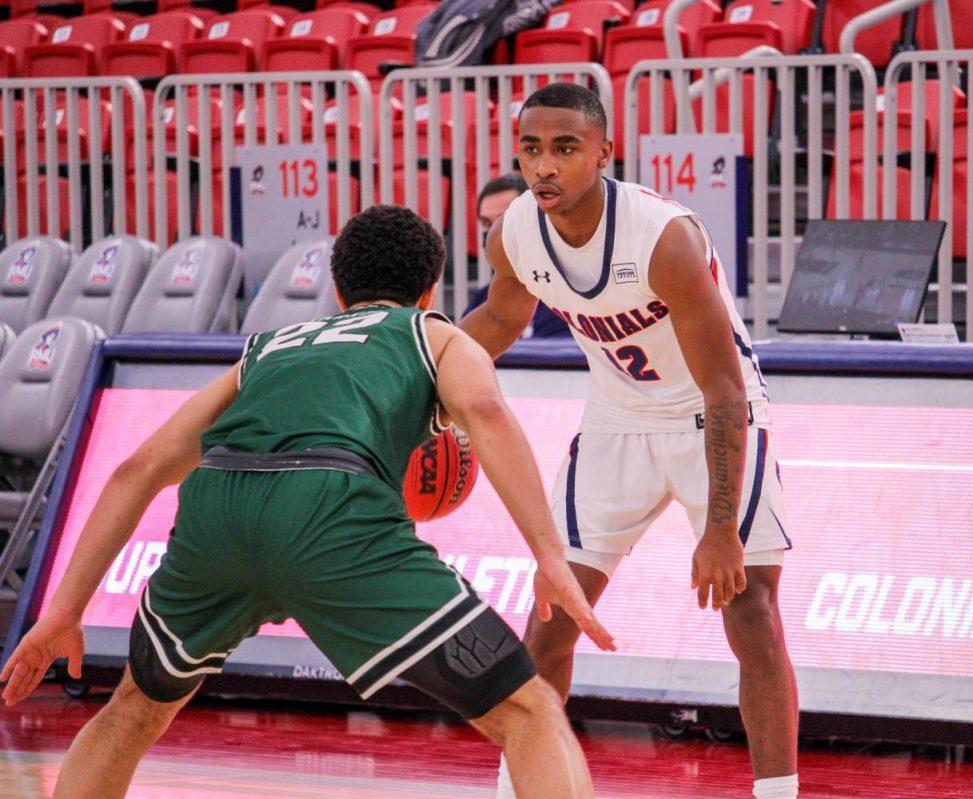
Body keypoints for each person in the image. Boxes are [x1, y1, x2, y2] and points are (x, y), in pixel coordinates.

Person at [1, 206, 614, 799]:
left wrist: (63, 610)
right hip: (331, 513)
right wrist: (548, 554)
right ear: (430, 291)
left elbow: (139, 469)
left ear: (338, 291)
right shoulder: (432, 333)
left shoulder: (270, 344)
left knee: (131, 710)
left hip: (217, 509)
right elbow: (482, 411)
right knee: (530, 710)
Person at [460, 83, 800, 799]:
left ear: (603, 153)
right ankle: (520, 788)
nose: (544, 166)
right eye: (531, 149)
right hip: (616, 421)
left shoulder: (662, 236)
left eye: (564, 148)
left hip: (714, 417)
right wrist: (417, 375)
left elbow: (725, 391)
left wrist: (718, 528)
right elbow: (497, 320)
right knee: (550, 619)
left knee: (752, 612)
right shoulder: (515, 230)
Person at [467, 172, 570, 339]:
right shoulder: (482, 299)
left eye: (502, 221)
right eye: (486, 223)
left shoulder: (565, 297)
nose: (493, 232)